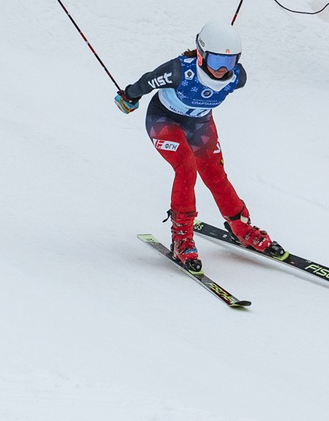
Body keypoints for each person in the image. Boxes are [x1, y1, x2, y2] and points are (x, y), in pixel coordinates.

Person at [116, 21, 280, 272]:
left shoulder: (238, 77)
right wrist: (129, 96)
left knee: (215, 174)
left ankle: (241, 226)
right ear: (201, 55)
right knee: (186, 168)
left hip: (199, 123)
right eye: (216, 61)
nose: (223, 69)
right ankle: (182, 236)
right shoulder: (179, 71)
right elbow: (148, 81)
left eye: (230, 62)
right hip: (164, 119)